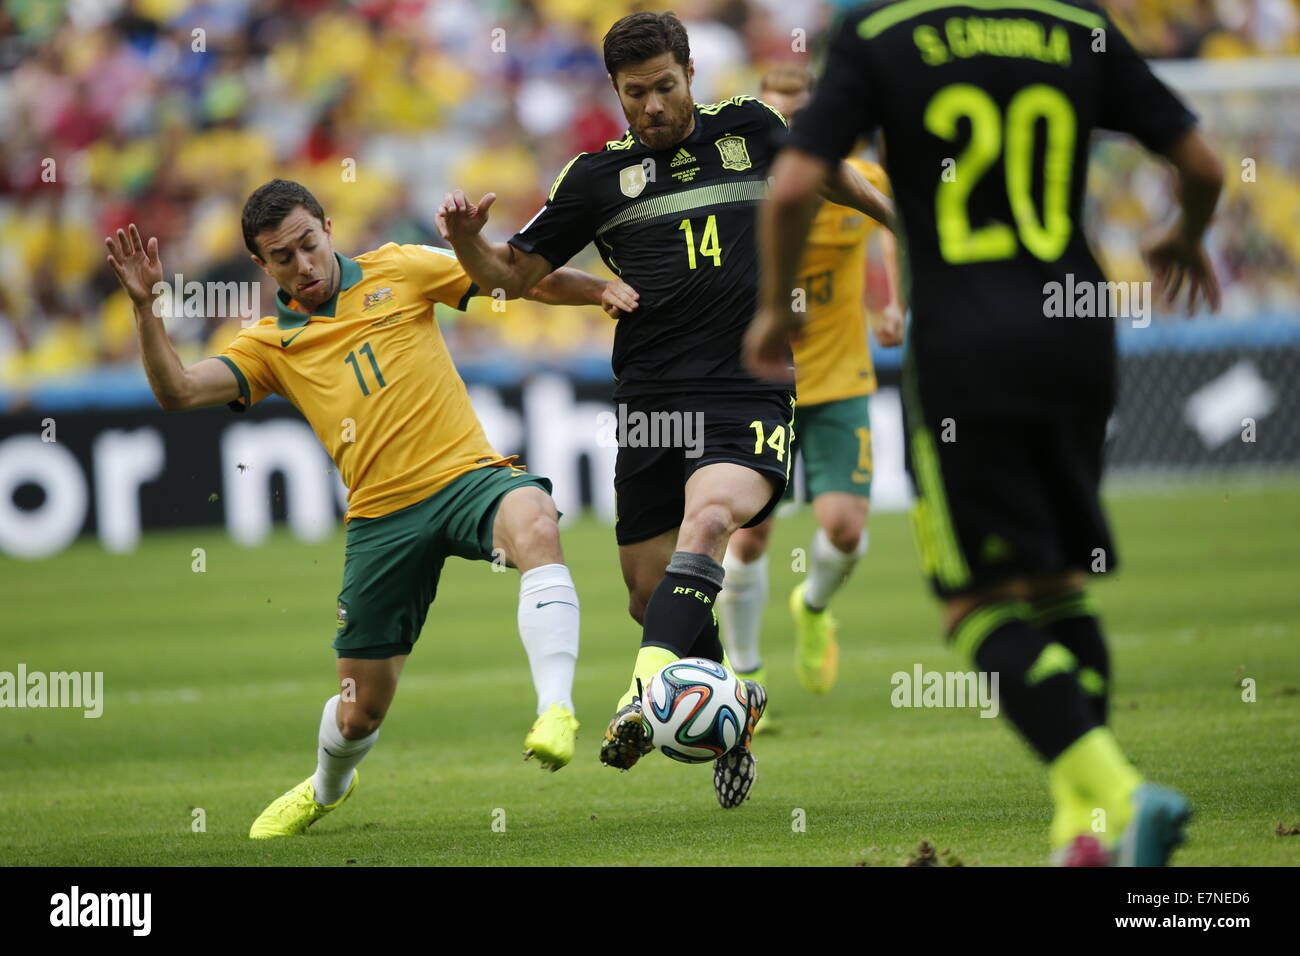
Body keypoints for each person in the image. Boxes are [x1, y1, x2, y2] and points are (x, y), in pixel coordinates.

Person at [747, 1, 1222, 865]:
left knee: (975, 606)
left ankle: (1123, 794)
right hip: (1078, 331)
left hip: (967, 345)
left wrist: (774, 311)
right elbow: (1201, 162)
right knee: (1057, 587)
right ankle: (1084, 834)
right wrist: (1184, 236)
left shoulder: (883, 31)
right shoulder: (1070, 21)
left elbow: (788, 185)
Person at [437, 11, 894, 809]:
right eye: (634, 94)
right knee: (652, 596)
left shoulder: (751, 130)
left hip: (747, 383)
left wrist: (899, 220)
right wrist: (471, 244)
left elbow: (826, 171)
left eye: (664, 87)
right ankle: (735, 707)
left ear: (690, 73)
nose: (651, 107)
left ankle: (639, 699)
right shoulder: (592, 180)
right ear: (615, 92)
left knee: (712, 520)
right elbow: (510, 277)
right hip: (650, 401)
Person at [105, 179, 635, 838]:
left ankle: (555, 709)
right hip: (383, 523)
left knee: (534, 520)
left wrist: (599, 290)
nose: (303, 265)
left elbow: (511, 279)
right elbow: (178, 393)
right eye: (283, 257)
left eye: (308, 244)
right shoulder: (269, 344)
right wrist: (144, 307)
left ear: (328, 227)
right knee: (359, 714)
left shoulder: (401, 267)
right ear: (260, 265)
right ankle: (329, 787)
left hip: (467, 477)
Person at [719, 65, 905, 704]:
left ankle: (814, 605)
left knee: (846, 528)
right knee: (749, 532)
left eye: (805, 116)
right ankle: (744, 675)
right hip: (764, 383)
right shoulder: (746, 190)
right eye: (781, 118)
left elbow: (895, 234)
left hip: (842, 374)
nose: (794, 130)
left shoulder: (861, 182)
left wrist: (894, 305)